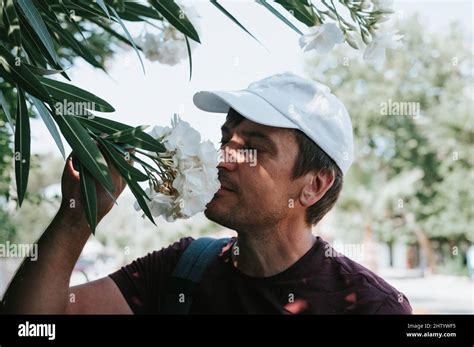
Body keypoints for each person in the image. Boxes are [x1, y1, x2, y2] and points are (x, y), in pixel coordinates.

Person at [2, 72, 412, 314]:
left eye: (252, 147)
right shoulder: (183, 266)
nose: (221, 158)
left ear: (313, 185)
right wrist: (78, 214)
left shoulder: (371, 307)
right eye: (225, 138)